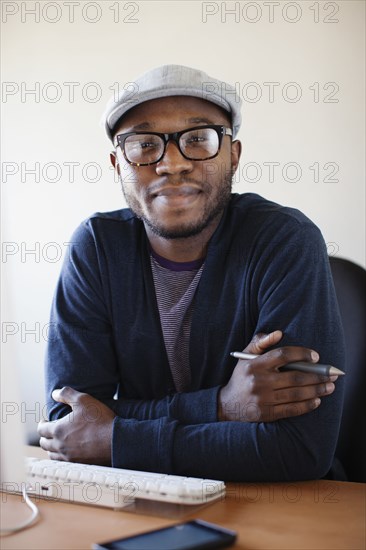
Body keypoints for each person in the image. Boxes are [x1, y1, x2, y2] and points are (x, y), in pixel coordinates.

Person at [38, 65, 345, 481]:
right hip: (139, 496)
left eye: (198, 139)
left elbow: (298, 449)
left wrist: (116, 437)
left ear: (233, 155)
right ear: (117, 164)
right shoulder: (95, 247)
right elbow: (70, 420)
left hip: (273, 506)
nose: (172, 163)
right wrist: (220, 406)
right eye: (144, 145)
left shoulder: (285, 241)